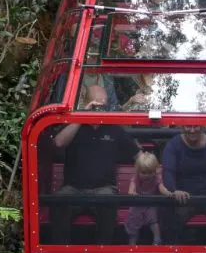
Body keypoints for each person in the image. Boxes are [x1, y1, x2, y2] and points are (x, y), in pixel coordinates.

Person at [50, 85, 140, 244]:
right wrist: (82, 116)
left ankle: (103, 252)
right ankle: (61, 252)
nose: (100, 108)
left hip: (103, 189)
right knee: (59, 201)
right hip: (74, 189)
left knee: (108, 200)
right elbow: (58, 143)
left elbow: (138, 154)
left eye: (103, 105)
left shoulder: (114, 129)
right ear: (86, 103)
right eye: (96, 104)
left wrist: (139, 182)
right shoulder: (74, 125)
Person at [160, 125, 206, 244]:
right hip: (184, 199)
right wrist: (174, 190)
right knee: (167, 216)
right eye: (188, 126)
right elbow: (168, 172)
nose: (192, 130)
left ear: (202, 126)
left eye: (196, 126)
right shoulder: (173, 145)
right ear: (182, 127)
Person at [125, 152, 171, 245]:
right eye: (144, 173)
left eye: (150, 172)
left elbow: (161, 188)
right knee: (133, 220)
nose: (147, 175)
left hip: (150, 203)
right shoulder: (136, 178)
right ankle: (132, 241)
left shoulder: (157, 178)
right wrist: (134, 194)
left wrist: (167, 193)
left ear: (155, 171)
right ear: (138, 171)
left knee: (154, 219)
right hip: (138, 203)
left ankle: (157, 240)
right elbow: (131, 191)